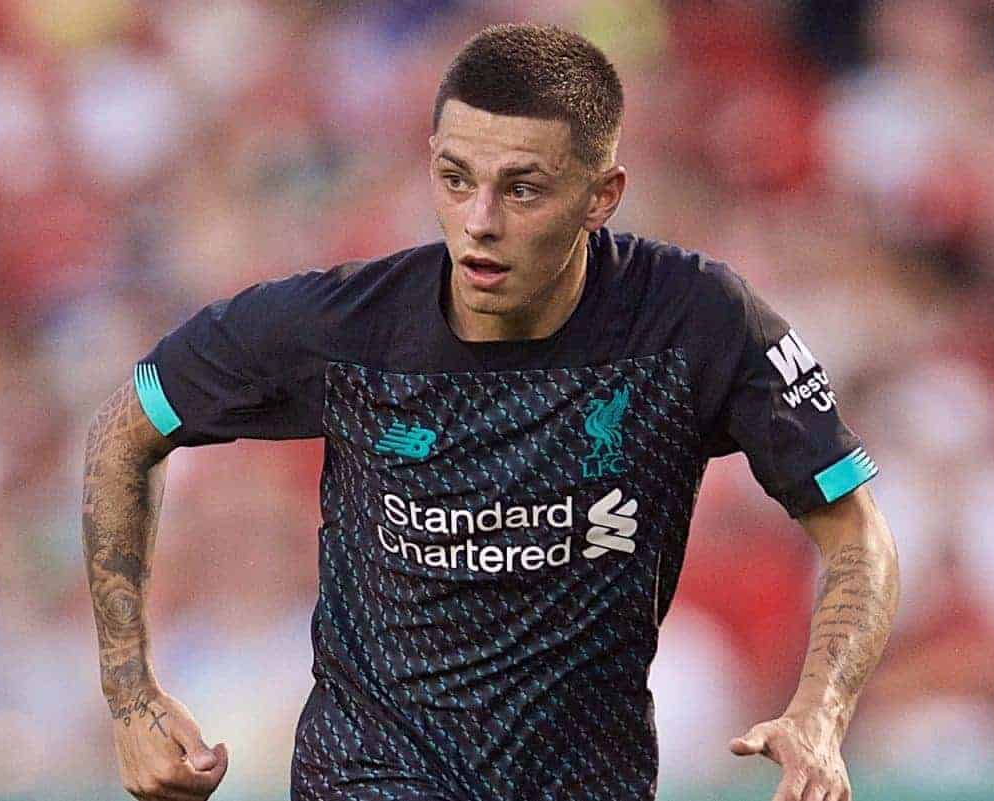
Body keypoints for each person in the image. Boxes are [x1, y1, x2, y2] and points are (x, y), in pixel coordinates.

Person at [82, 23, 899, 801]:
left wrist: (820, 713)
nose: (479, 221)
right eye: (455, 179)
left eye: (523, 189)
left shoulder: (696, 325)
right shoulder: (341, 328)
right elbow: (127, 427)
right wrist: (130, 694)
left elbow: (857, 534)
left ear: (601, 194)